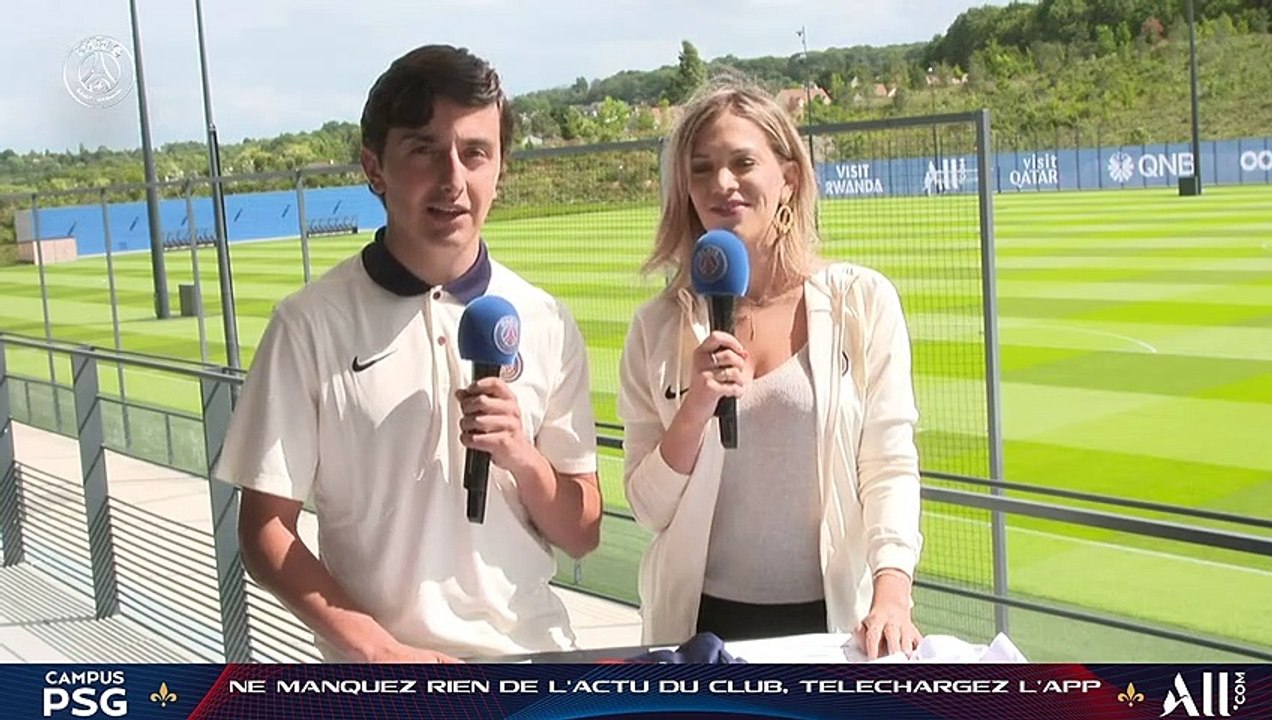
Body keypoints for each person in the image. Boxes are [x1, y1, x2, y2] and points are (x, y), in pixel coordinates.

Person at [215, 45, 602, 663]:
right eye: (424, 149)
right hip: (386, 680)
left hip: (536, 658)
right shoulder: (308, 324)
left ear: (499, 168)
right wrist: (378, 650)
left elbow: (582, 533)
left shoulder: (544, 318)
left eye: (476, 152)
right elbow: (264, 533)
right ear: (375, 167)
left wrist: (523, 457)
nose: (453, 178)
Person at [617, 78, 923, 659]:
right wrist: (695, 410)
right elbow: (648, 509)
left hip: (831, 626)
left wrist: (892, 593)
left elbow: (889, 466)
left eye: (742, 162)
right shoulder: (655, 328)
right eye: (701, 168)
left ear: (789, 177)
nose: (721, 184)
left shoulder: (862, 302)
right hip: (696, 629)